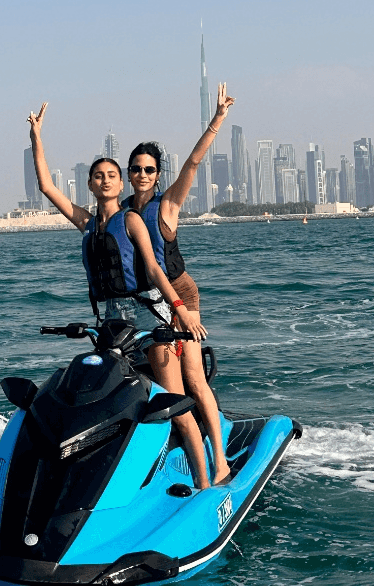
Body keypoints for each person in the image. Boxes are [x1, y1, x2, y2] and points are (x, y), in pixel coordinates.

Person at [28, 102, 212, 490]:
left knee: (174, 402)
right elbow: (46, 187)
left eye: (113, 174)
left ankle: (207, 483)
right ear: (92, 184)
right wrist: (36, 137)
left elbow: (155, 270)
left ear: (120, 182)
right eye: (100, 176)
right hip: (111, 323)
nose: (107, 180)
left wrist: (181, 311)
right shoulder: (86, 224)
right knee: (109, 397)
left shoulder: (131, 220)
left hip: (149, 317)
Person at [123, 81, 235, 484]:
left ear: (157, 175)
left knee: (194, 380)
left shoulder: (166, 205)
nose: (141, 174)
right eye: (135, 168)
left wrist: (217, 120)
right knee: (171, 385)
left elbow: (191, 164)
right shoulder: (122, 213)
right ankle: (185, 453)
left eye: (149, 169)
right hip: (150, 301)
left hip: (180, 294)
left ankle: (218, 462)